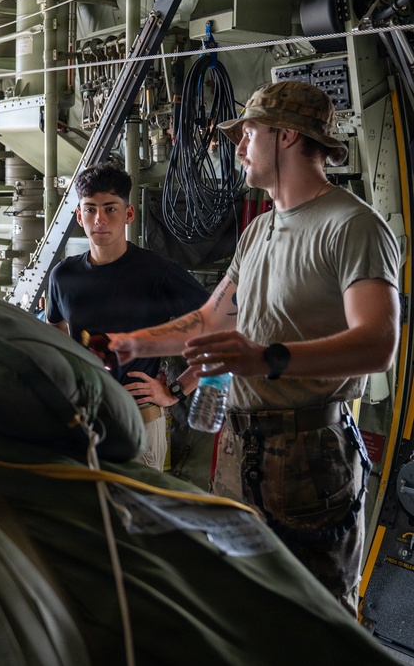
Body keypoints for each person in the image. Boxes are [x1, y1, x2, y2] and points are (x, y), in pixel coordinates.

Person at [108, 81, 400, 614]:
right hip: (242, 450)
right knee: (243, 608)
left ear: (286, 135)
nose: (239, 146)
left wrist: (268, 358)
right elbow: (209, 317)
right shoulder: (259, 229)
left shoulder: (353, 226)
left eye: (248, 132)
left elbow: (377, 343)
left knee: (315, 618)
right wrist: (128, 341)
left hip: (311, 456)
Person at [47, 162, 209, 471]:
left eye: (110, 209)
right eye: (90, 210)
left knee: (138, 516)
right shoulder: (63, 276)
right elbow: (55, 330)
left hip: (139, 421)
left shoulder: (159, 273)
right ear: (80, 216)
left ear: (128, 214)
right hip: (81, 419)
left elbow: (220, 333)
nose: (100, 220)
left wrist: (175, 390)